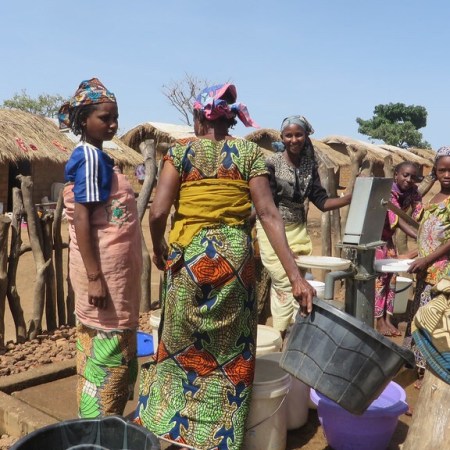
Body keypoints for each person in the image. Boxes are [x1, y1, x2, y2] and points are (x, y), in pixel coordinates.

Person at [135, 84, 314, 450]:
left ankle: (176, 429)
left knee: (181, 345)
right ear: (230, 118)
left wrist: (158, 248)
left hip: (189, 259)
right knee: (230, 352)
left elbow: (157, 212)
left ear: (199, 118)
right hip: (235, 262)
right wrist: (296, 278)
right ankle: (219, 438)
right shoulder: (249, 153)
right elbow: (268, 214)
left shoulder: (180, 152)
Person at [58, 78, 142, 418]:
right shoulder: (91, 159)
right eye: (104, 118)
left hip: (108, 273)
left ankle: (95, 422)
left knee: (98, 343)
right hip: (104, 274)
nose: (113, 124)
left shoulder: (98, 158)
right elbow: (82, 218)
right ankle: (99, 426)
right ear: (83, 120)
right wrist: (95, 278)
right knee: (107, 349)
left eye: (115, 117)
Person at [255, 115, 352, 333]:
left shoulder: (309, 165)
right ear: (282, 137)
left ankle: (292, 331)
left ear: (306, 136)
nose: (294, 140)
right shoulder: (271, 164)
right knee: (284, 281)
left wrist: (348, 199)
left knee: (297, 282)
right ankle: (281, 331)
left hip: (298, 232)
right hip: (273, 231)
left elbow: (322, 201)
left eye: (298, 135)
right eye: (288, 135)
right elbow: (267, 207)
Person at [404, 146, 450, 389]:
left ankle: (430, 370)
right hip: (425, 270)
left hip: (442, 272)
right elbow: (426, 233)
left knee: (434, 320)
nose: (447, 175)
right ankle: (417, 366)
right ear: (435, 171)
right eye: (441, 170)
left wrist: (427, 259)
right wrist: (415, 255)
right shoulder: (433, 198)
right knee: (419, 316)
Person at [374, 161, 423, 337]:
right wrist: (419, 236)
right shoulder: (389, 191)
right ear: (396, 174)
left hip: (387, 239)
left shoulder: (412, 192)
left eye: (413, 177)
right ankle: (379, 321)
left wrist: (424, 223)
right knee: (380, 280)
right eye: (405, 175)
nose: (409, 179)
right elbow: (397, 218)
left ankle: (388, 319)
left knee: (392, 279)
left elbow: (419, 211)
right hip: (374, 238)